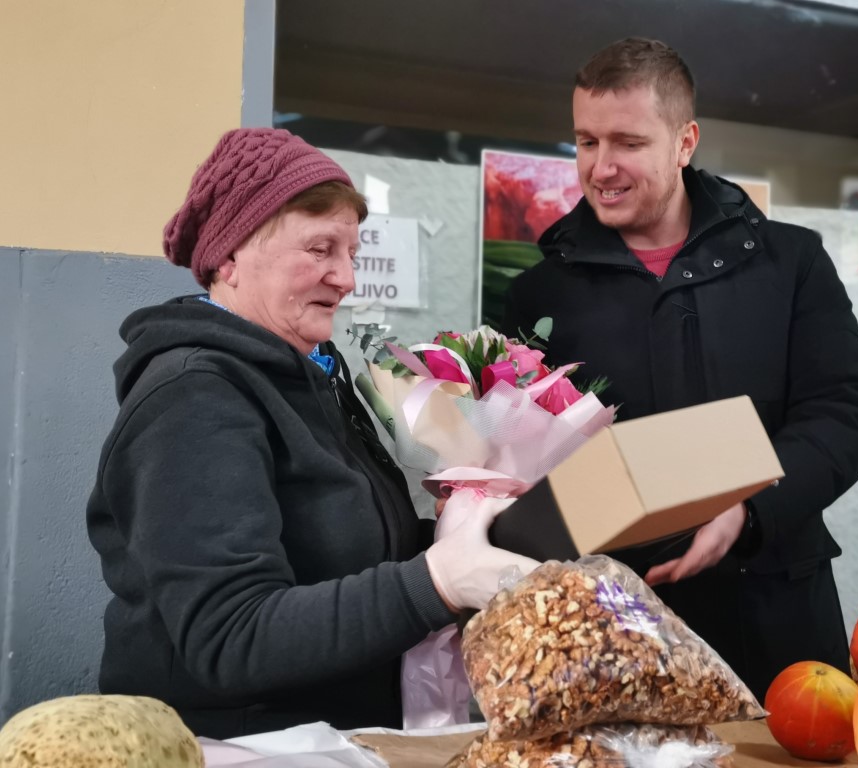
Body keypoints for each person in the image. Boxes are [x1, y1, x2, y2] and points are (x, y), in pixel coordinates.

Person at [86, 127, 537, 739]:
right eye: (321, 249)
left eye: (352, 252)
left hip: (337, 740)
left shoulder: (315, 375)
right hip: (233, 746)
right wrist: (435, 581)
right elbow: (229, 637)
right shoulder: (193, 395)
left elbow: (336, 555)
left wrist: (469, 534)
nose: (347, 278)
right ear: (230, 256)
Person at [503, 38, 858, 701]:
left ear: (685, 141)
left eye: (627, 142)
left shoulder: (790, 262)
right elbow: (520, 458)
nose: (601, 167)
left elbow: (849, 409)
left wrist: (750, 508)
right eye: (585, 141)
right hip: (609, 632)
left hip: (776, 619)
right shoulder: (539, 294)